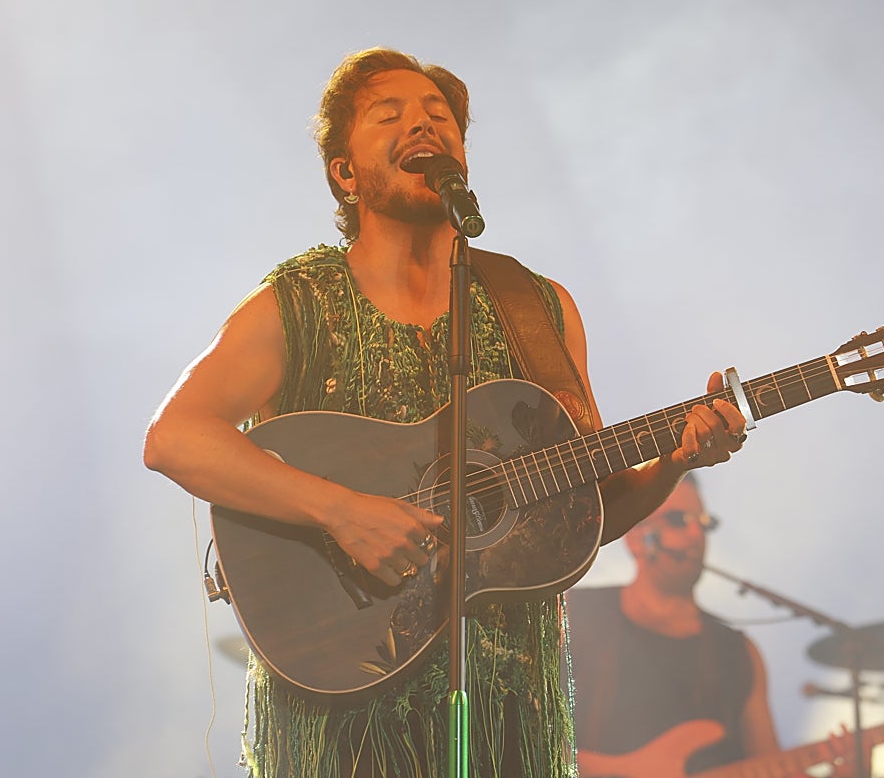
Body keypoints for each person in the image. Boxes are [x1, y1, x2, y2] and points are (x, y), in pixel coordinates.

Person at [143, 47, 747, 778]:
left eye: (440, 117)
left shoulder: (537, 308)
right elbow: (174, 438)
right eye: (389, 115)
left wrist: (673, 462)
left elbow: (580, 515)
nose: (423, 125)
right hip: (343, 712)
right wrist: (342, 511)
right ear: (344, 171)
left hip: (507, 711)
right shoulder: (299, 304)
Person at [567, 475, 869, 777]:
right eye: (678, 519)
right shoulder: (574, 612)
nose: (695, 533)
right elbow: (528, 730)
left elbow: (771, 765)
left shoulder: (739, 653)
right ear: (634, 538)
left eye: (703, 522)